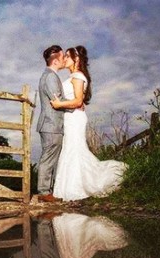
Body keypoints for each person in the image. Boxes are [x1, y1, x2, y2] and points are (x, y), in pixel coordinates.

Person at [50, 46, 127, 201]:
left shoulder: (78, 76)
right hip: (70, 117)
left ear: (76, 59)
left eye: (67, 56)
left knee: (74, 149)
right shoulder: (74, 76)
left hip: (75, 118)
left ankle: (77, 188)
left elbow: (78, 101)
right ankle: (68, 189)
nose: (64, 59)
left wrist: (59, 105)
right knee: (71, 148)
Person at [36, 45, 68, 203]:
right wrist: (77, 104)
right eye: (62, 58)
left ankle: (47, 190)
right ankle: (43, 192)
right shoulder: (50, 77)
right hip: (51, 124)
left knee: (50, 158)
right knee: (48, 158)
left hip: (51, 125)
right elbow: (58, 101)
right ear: (55, 60)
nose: (64, 61)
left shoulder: (49, 75)